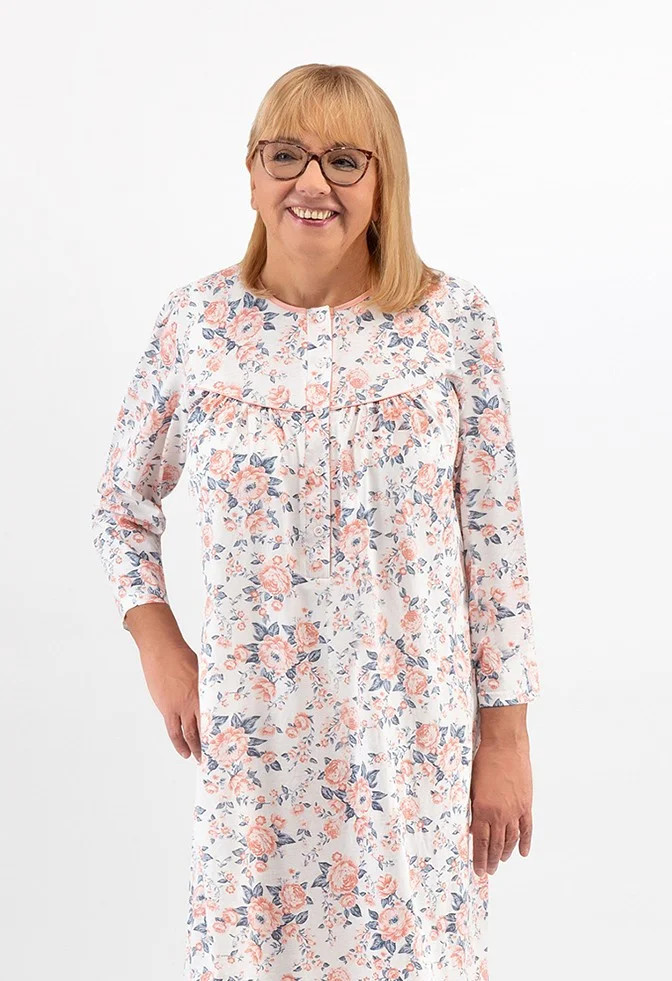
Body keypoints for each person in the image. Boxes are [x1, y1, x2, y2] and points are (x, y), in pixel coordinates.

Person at [91, 63, 542, 981]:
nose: (312, 182)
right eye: (287, 155)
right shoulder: (197, 325)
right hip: (258, 751)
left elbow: (496, 548)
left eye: (344, 160)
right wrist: (158, 643)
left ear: (383, 183)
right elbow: (120, 504)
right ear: (252, 173)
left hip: (413, 750)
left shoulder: (452, 324)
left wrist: (506, 739)